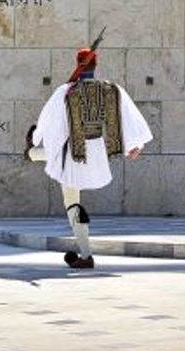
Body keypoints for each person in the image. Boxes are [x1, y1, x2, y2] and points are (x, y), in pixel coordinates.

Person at [28, 47, 152, 269]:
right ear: (95, 66)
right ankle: (84, 255)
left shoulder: (65, 91)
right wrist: (134, 145)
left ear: (78, 64)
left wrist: (35, 138)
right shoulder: (111, 89)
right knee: (64, 182)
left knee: (72, 202)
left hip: (74, 153)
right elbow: (127, 115)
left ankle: (86, 254)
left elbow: (47, 120)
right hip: (96, 152)